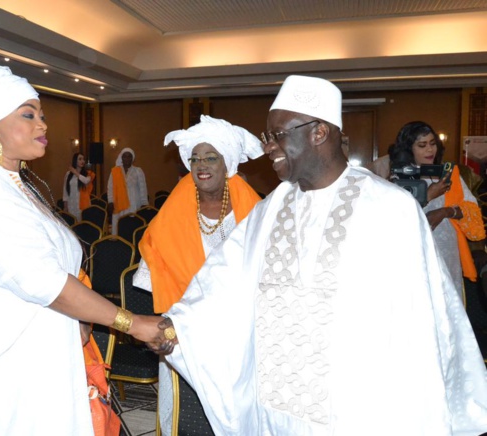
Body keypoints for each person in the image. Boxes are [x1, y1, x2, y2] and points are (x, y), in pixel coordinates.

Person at [141, 75, 487, 435]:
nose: (268, 147)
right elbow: (223, 280)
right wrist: (176, 324)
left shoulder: (388, 208)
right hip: (277, 405)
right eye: (267, 137)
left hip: (355, 408)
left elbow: (416, 324)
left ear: (318, 132)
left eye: (277, 136)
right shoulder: (271, 208)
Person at [0, 64, 162, 435]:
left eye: (42, 115)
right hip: (1, 380)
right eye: (28, 114)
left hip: (38, 361)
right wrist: (132, 323)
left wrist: (79, 317)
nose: (43, 124)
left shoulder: (13, 183)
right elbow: (42, 281)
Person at [133, 114, 264, 434]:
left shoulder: (254, 209)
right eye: (195, 159)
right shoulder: (173, 211)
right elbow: (155, 268)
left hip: (240, 329)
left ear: (228, 163)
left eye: (211, 158)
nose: (201, 165)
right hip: (184, 327)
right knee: (181, 410)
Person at [389, 121, 486, 299]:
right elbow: (394, 220)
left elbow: (473, 213)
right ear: (409, 149)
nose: (430, 150)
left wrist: (445, 212)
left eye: (433, 143)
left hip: (447, 254)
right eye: (422, 145)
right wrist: (427, 196)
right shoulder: (397, 178)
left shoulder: (449, 174)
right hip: (413, 257)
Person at [107, 147, 148, 234]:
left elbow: (143, 188)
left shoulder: (138, 171)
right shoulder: (115, 171)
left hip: (133, 204)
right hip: (118, 204)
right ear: (121, 158)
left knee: (131, 228)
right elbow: (110, 187)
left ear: (132, 158)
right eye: (124, 156)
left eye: (129, 156)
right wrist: (110, 201)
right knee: (119, 228)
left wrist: (144, 203)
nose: (127, 158)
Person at [62, 152, 94, 220]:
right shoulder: (68, 174)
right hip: (71, 203)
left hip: (83, 203)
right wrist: (65, 206)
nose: (82, 161)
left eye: (83, 159)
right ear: (75, 161)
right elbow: (65, 190)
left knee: (83, 224)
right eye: (80, 159)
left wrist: (75, 172)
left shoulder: (88, 173)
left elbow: (85, 181)